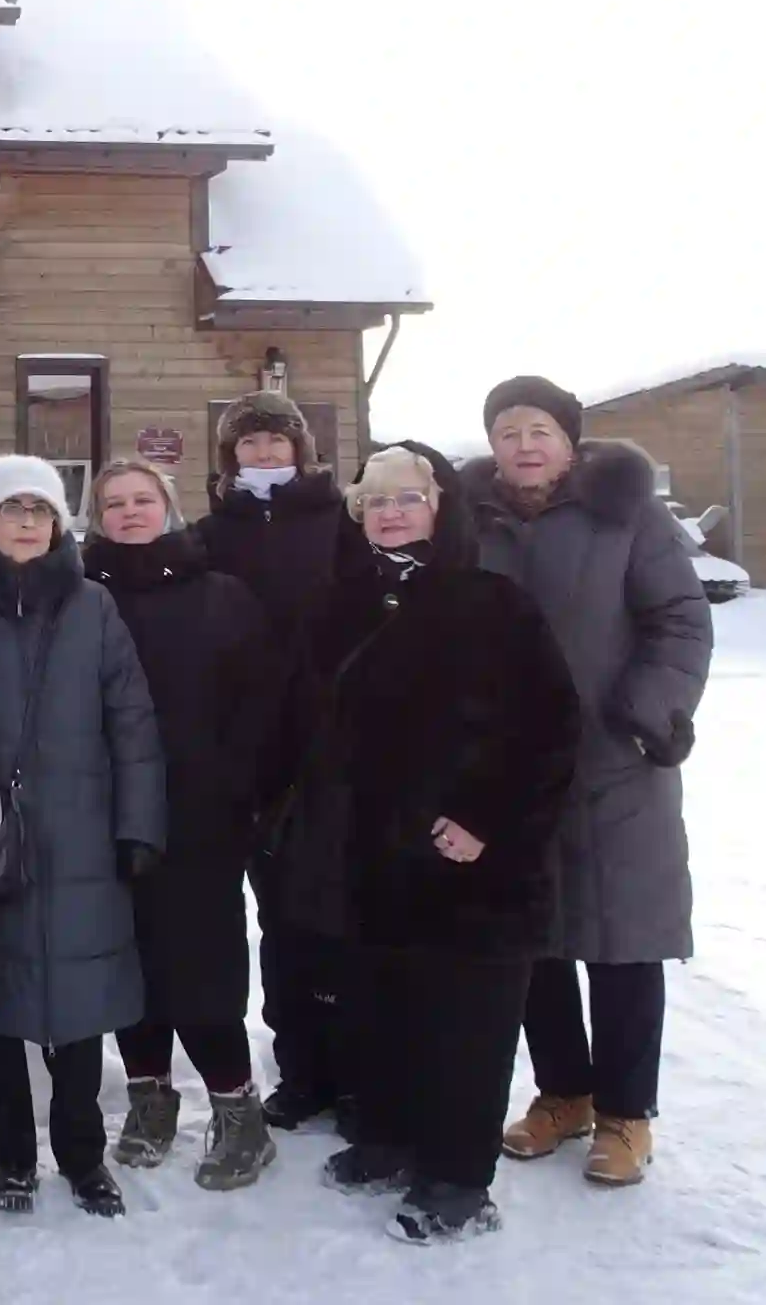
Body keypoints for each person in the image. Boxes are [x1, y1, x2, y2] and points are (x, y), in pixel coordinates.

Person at [299, 442, 580, 1245]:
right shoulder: (337, 605)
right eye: (374, 502)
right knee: (381, 1010)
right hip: (371, 856)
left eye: (408, 499)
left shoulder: (494, 602)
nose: (390, 514)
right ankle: (389, 1139)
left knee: (465, 1024)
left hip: (472, 864)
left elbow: (551, 729)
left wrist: (485, 820)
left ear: (442, 508)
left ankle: (459, 1180)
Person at [465, 377, 713, 1189]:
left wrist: (648, 710)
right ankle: (563, 1094)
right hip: (512, 768)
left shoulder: (627, 515)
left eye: (540, 430)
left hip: (616, 760)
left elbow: (679, 618)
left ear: (571, 443)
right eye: (509, 432)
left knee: (622, 939)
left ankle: (626, 1113)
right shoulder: (474, 522)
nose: (524, 445)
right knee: (534, 940)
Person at [0, 456, 166, 1220]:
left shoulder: (92, 607)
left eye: (41, 508)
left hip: (82, 840)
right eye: (11, 509)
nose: (28, 522)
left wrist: (138, 826)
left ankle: (83, 1156)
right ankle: (10, 1161)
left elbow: (132, 724)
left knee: (78, 1014)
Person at [82, 457, 285, 1191]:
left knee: (201, 967)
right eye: (114, 503)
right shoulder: (81, 599)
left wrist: (244, 796)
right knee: (127, 965)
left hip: (203, 816)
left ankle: (238, 1111)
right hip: (105, 815)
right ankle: (149, 1098)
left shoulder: (222, 597)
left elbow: (264, 706)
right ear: (96, 516)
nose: (130, 512)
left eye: (144, 500)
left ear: (167, 509)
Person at [198, 388, 367, 1132]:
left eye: (276, 442)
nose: (264, 455)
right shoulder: (210, 536)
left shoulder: (341, 525)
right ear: (229, 455)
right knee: (278, 925)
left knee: (338, 918)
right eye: (249, 444)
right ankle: (299, 1071)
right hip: (248, 757)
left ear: (302, 450)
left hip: (332, 754)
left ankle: (354, 1072)